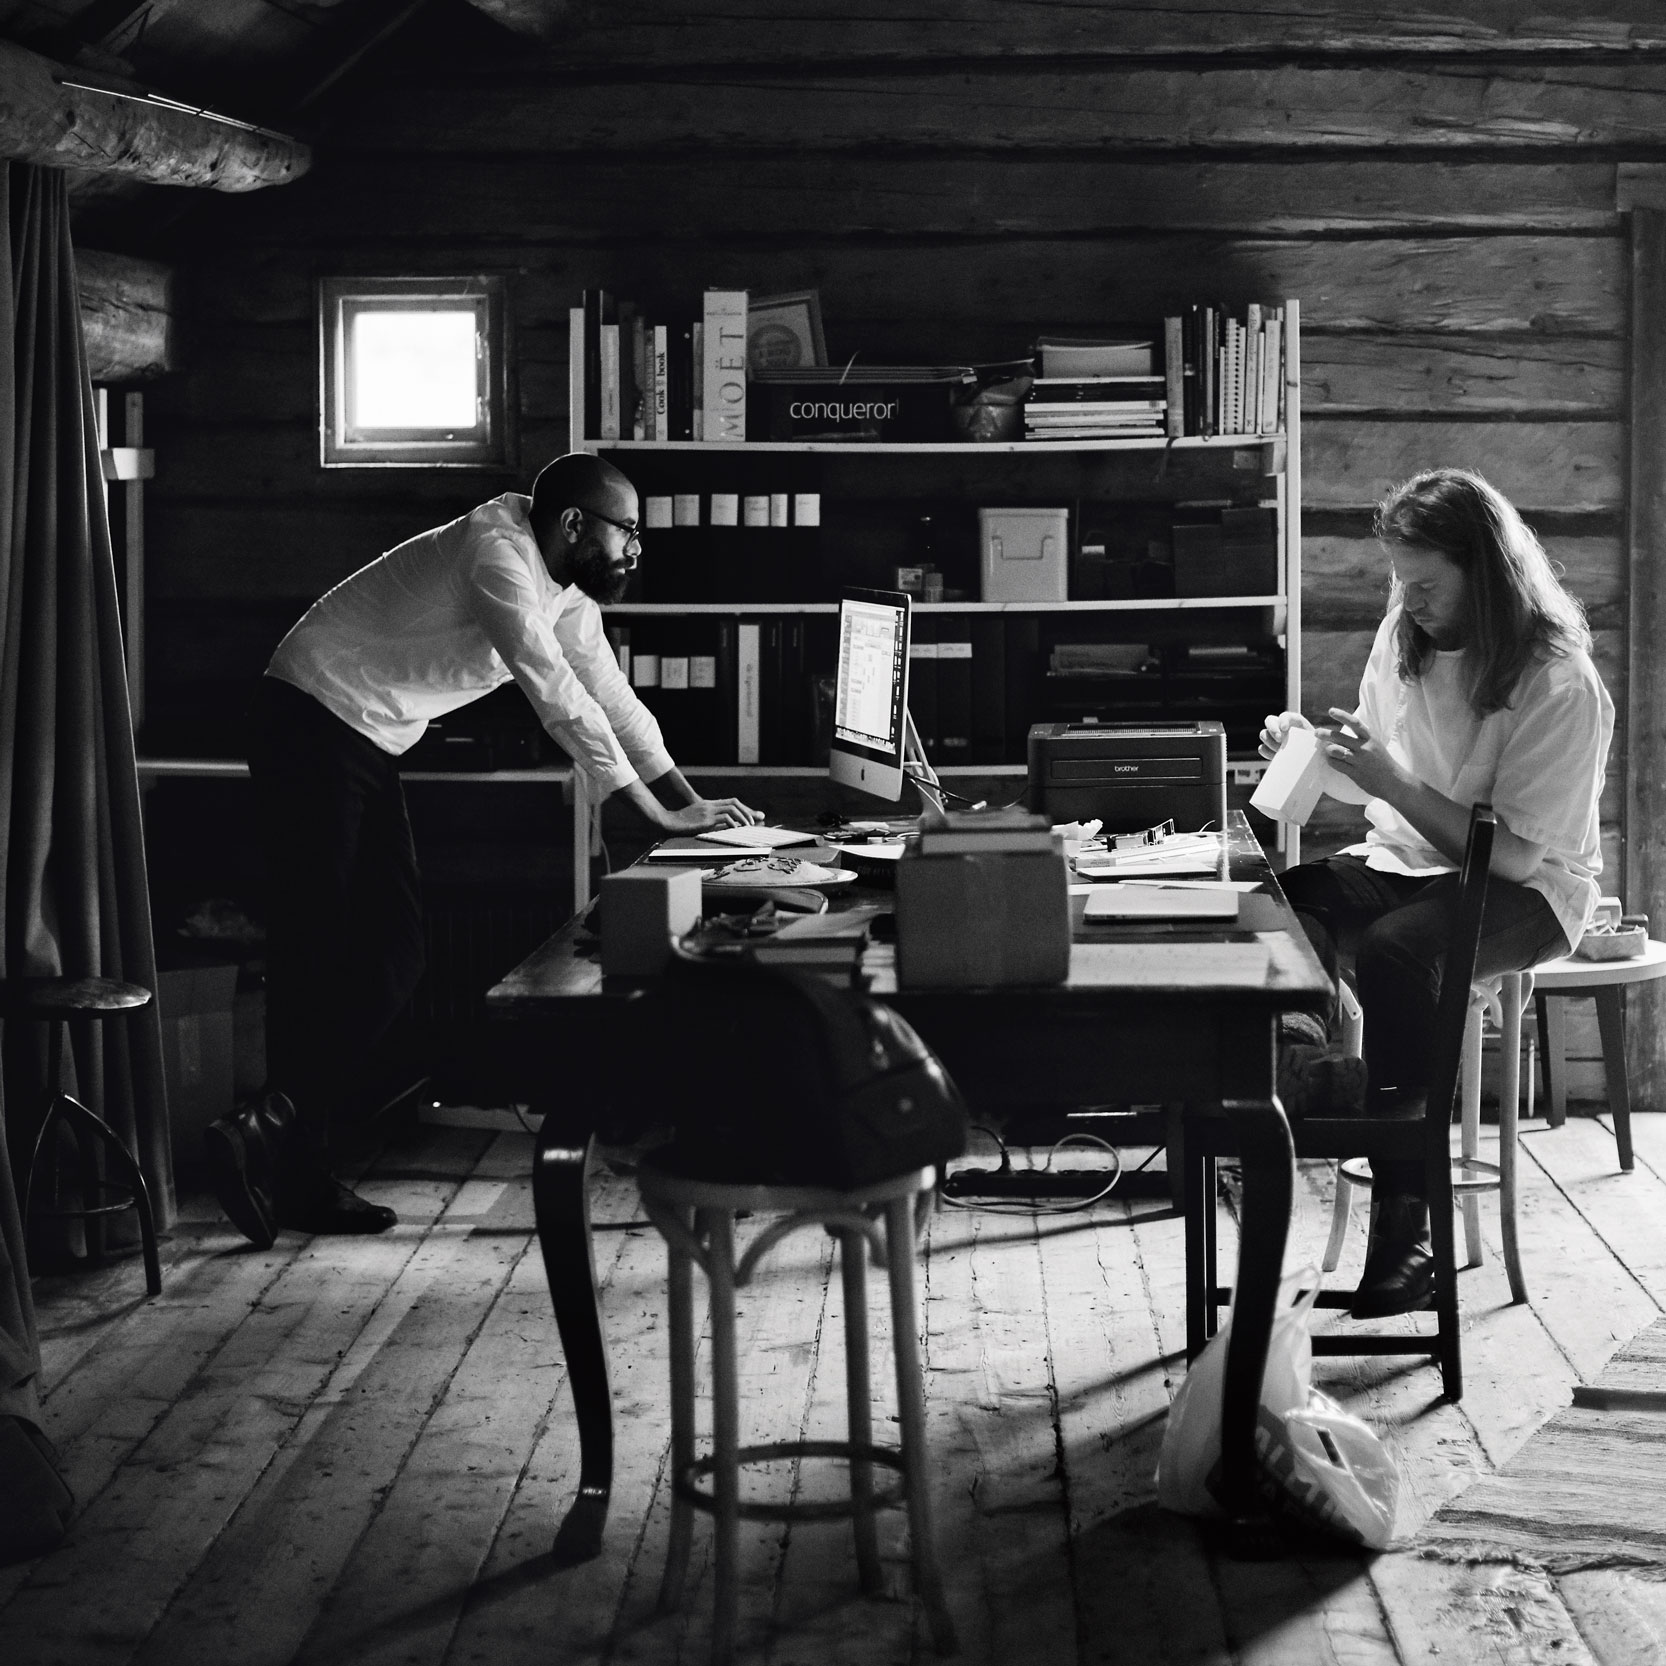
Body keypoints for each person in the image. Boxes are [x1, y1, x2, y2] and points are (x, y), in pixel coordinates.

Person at [205, 452, 761, 1247]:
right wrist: (647, 812)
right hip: (310, 716)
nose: (636, 550)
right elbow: (552, 691)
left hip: (364, 736)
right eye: (626, 531)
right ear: (574, 524)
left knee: (395, 953)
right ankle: (292, 1170)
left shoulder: (562, 588)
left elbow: (611, 696)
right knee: (316, 950)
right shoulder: (498, 554)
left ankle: (270, 1124)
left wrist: (686, 800)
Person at [1261, 467, 1613, 1318]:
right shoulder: (1405, 633)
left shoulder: (1557, 682)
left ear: (1484, 571)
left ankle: (1407, 1234)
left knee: (1396, 951)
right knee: (1281, 901)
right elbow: (1376, 788)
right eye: (1397, 579)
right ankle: (1314, 1074)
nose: (1406, 599)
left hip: (1531, 891)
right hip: (1409, 861)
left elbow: (1518, 858)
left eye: (1424, 584)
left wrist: (1389, 779)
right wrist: (1318, 751)